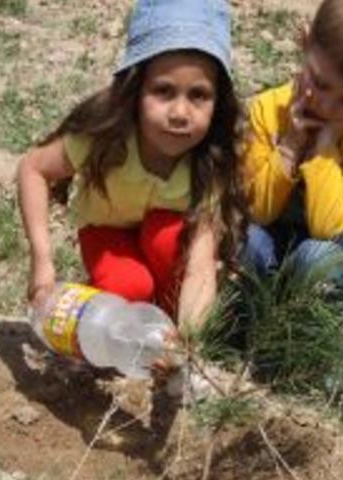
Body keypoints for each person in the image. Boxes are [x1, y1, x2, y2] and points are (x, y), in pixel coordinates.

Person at [18, 0, 246, 334]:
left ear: (218, 102)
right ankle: (108, 308)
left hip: (166, 245)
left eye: (198, 95)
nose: (180, 113)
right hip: (108, 235)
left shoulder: (209, 161)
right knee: (128, 288)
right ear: (135, 89)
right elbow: (33, 169)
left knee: (168, 236)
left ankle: (162, 326)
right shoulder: (107, 135)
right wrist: (41, 261)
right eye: (163, 91)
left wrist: (187, 342)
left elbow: (199, 269)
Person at [242, 0, 343, 299]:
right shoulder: (267, 111)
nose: (327, 107)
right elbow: (258, 212)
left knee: (312, 259)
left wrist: (326, 144)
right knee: (247, 242)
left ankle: (314, 328)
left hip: (337, 246)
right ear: (304, 41)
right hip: (274, 233)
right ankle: (256, 322)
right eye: (320, 83)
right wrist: (291, 144)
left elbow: (326, 228)